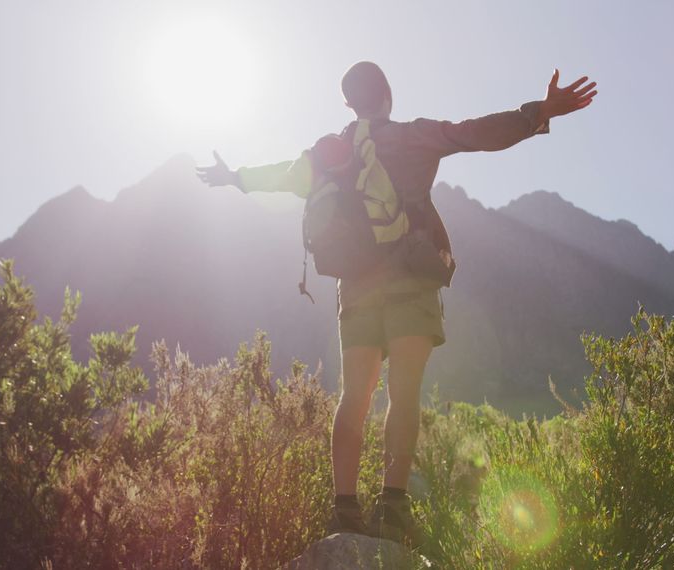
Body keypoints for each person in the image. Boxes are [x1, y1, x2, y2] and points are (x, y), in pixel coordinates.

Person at [196, 61, 596, 548]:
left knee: (354, 397)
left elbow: (282, 175)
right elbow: (474, 134)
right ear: (387, 94)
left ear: (348, 104)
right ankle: (393, 508)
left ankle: (343, 511)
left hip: (356, 289)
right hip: (409, 280)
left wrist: (233, 176)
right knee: (403, 394)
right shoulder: (411, 136)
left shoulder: (329, 155)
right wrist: (538, 113)